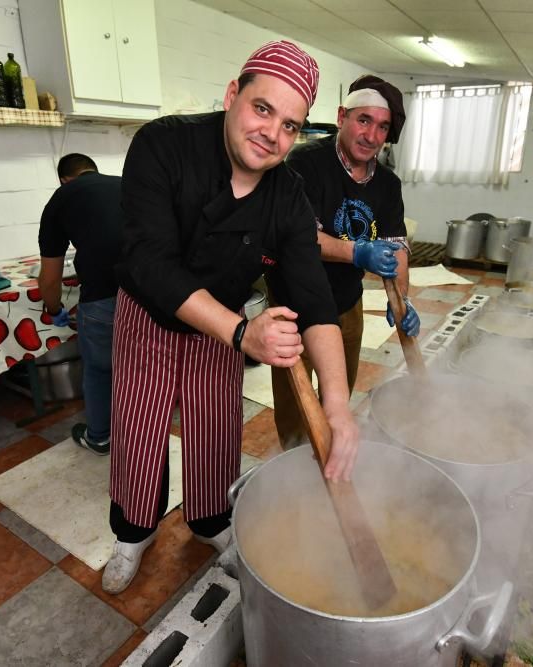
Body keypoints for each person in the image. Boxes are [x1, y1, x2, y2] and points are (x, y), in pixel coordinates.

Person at [103, 41, 360, 595]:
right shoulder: (165, 144)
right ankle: (132, 534)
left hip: (220, 327)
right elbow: (149, 261)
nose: (272, 134)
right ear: (231, 96)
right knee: (139, 429)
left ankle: (210, 523)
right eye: (262, 109)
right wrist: (243, 332)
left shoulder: (287, 195)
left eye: (290, 125)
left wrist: (338, 408)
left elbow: (314, 299)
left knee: (214, 429)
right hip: (151, 315)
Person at [270, 74, 418, 451]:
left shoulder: (387, 184)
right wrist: (357, 252)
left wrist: (402, 299)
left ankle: (330, 464)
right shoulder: (304, 164)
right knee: (295, 409)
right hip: (294, 308)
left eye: (382, 126)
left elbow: (395, 246)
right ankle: (294, 469)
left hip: (346, 305)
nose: (371, 135)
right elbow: (300, 238)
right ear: (341, 116)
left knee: (337, 397)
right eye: (363, 120)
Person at [37, 153, 122, 456]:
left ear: (64, 179)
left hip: (102, 298)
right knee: (145, 367)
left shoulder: (60, 199)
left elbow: (49, 279)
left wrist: (54, 309)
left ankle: (99, 437)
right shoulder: (126, 184)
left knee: (100, 369)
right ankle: (144, 432)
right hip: (151, 292)